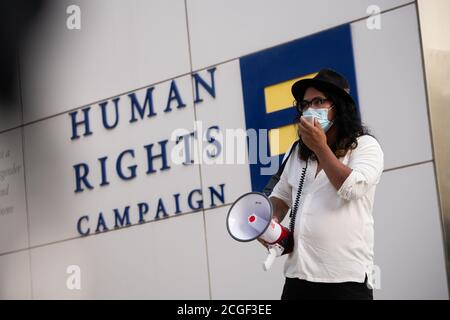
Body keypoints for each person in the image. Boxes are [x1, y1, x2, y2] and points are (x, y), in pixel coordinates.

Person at [266, 68, 384, 300]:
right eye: (305, 104)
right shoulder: (297, 152)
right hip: (298, 278)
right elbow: (281, 197)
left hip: (344, 280)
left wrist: (320, 147)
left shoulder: (365, 146)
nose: (310, 109)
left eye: (319, 101)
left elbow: (352, 188)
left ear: (338, 107)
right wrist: (269, 221)